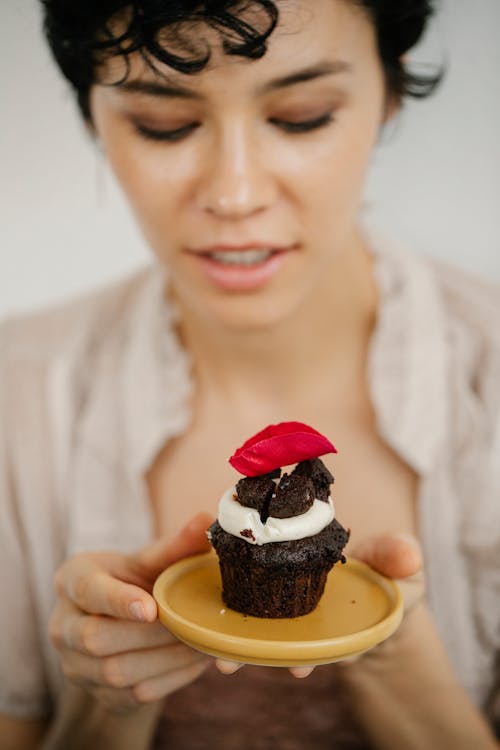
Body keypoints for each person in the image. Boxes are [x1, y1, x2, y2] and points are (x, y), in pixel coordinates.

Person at [1, 0, 499, 748]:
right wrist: (109, 699)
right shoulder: (16, 396)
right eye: (163, 124)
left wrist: (395, 659)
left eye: (302, 115)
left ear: (390, 96)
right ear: (91, 118)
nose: (234, 195)